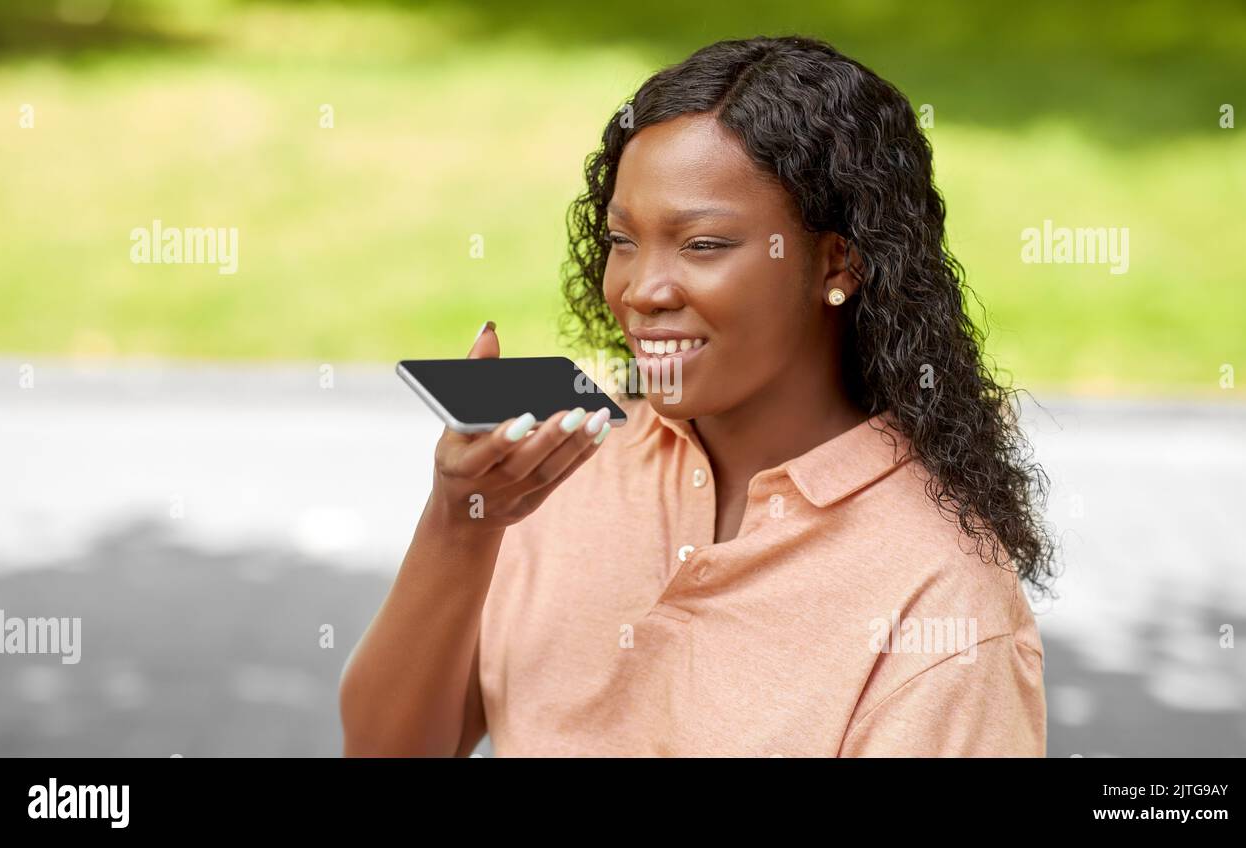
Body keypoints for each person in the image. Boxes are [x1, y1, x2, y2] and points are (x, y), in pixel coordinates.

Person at [340, 34, 1056, 757]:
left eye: (703, 245)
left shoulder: (941, 597)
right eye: (623, 240)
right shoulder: (569, 464)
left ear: (839, 262)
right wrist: (463, 521)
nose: (642, 290)